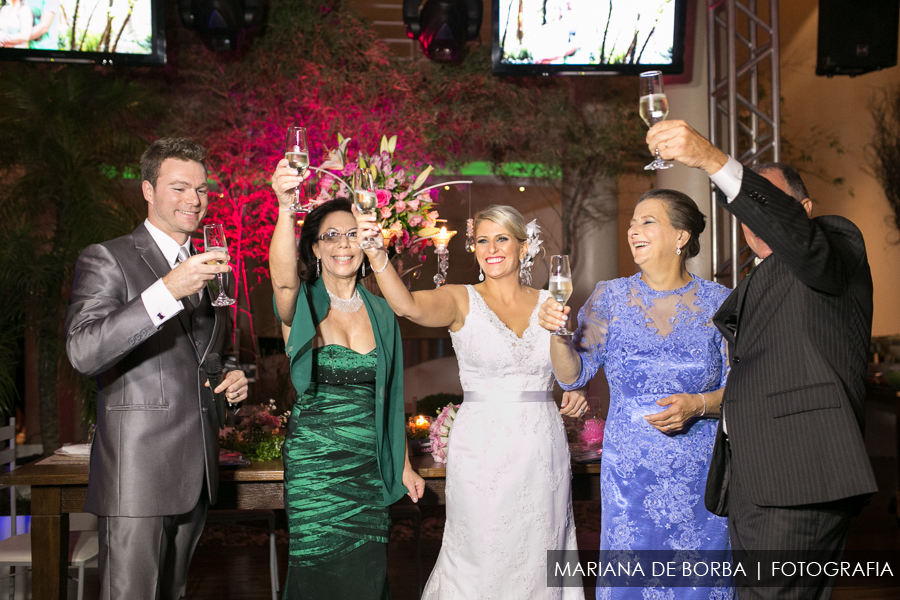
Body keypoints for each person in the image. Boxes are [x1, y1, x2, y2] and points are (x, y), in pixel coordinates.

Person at [647, 120, 878, 599]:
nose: (757, 222)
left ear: (805, 210)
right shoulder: (760, 280)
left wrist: (713, 160)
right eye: (750, 213)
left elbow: (798, 238)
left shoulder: (836, 245)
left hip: (801, 476)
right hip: (754, 479)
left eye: (767, 207)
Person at [355, 203, 586, 599]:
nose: (491, 248)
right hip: (482, 447)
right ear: (473, 248)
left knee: (542, 543)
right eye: (482, 240)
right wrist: (378, 255)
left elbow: (567, 376)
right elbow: (406, 306)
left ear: (523, 246)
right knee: (481, 548)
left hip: (540, 446)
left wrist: (561, 335)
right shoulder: (459, 299)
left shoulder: (551, 301)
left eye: (501, 239)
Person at [65, 137, 249, 599]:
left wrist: (232, 378)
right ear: (147, 190)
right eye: (180, 188)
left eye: (202, 190)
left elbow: (211, 355)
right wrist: (166, 290)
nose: (194, 200)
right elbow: (84, 351)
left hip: (198, 469)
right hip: (137, 472)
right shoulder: (108, 257)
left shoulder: (211, 262)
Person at [540, 189, 733, 599]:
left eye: (648, 221)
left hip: (701, 474)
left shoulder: (721, 303)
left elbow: (742, 387)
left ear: (681, 237)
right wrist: (559, 337)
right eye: (631, 222)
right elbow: (574, 376)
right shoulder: (609, 298)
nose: (632, 230)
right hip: (631, 475)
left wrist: (699, 405)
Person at [270, 162, 425, 599]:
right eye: (331, 236)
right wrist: (286, 209)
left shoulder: (382, 311)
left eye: (353, 233)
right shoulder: (302, 303)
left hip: (369, 468)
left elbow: (392, 395)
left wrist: (405, 463)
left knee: (367, 578)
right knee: (317, 576)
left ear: (367, 242)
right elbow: (282, 280)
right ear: (314, 249)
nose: (343, 243)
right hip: (315, 470)